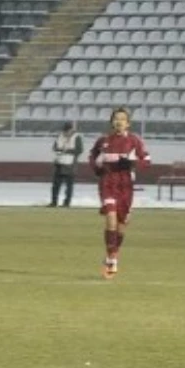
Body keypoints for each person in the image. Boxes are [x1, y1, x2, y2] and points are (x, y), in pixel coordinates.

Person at [89, 108, 150, 279]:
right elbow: (92, 157)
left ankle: (114, 253)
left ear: (128, 123)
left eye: (122, 119)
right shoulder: (103, 141)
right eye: (116, 119)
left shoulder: (134, 141)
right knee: (110, 218)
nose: (119, 122)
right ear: (112, 122)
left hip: (125, 185)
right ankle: (110, 259)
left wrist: (132, 163)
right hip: (108, 183)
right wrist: (97, 168)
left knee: (122, 224)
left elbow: (146, 161)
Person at [50, 122, 83, 208]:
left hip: (70, 164)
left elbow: (79, 150)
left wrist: (67, 151)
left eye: (67, 131)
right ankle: (54, 202)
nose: (66, 133)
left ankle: (66, 203)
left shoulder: (77, 137)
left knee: (69, 186)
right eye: (65, 131)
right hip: (59, 163)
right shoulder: (60, 136)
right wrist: (59, 150)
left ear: (71, 130)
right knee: (55, 185)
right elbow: (54, 147)